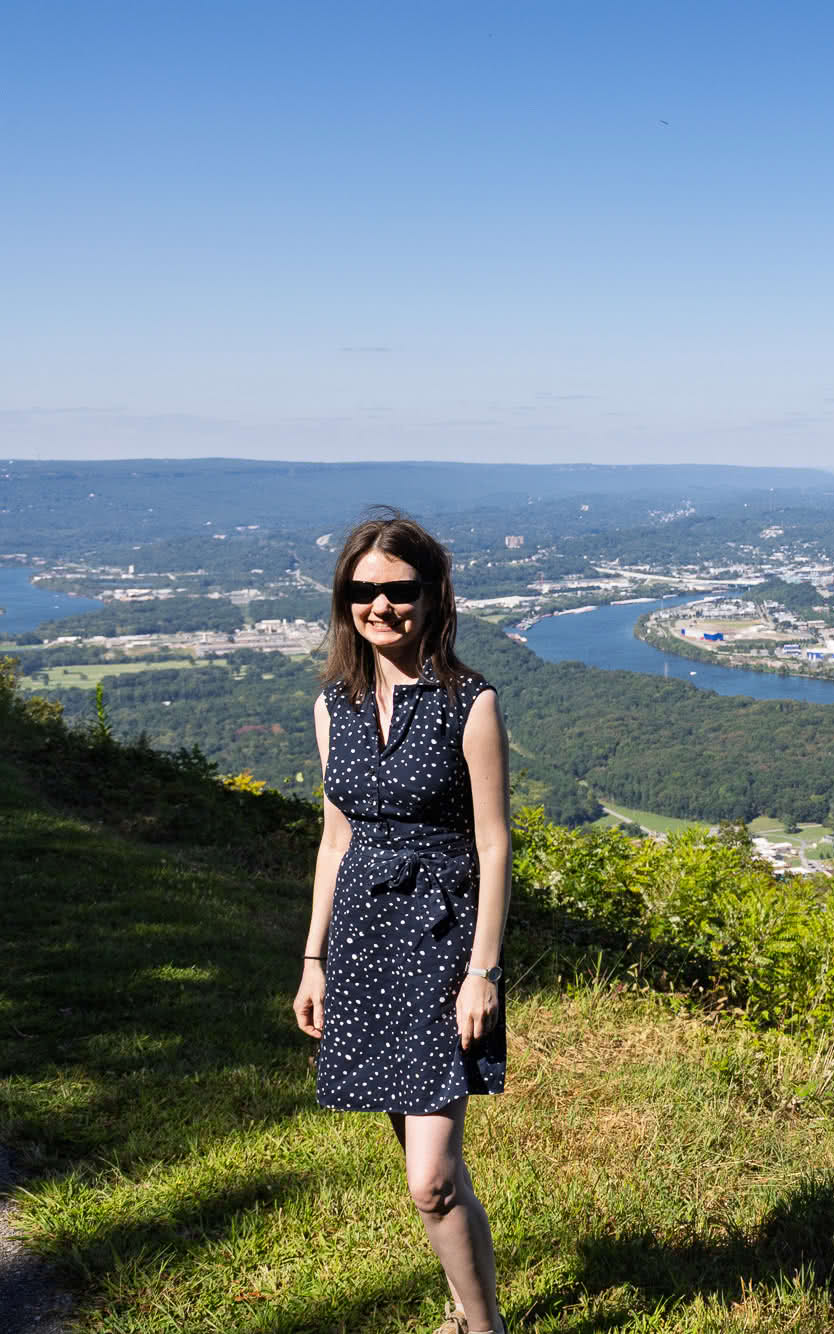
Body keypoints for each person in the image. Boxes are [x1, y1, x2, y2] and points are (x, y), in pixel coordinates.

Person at [292, 509, 510, 1334]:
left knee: (431, 1178)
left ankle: (482, 1328)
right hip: (360, 944)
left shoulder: (469, 703)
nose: (380, 607)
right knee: (429, 1169)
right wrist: (312, 960)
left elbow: (494, 846)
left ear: (432, 593)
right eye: (362, 591)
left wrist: (482, 971)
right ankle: (467, 1308)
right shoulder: (332, 706)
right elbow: (334, 837)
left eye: (398, 590)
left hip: (442, 943)